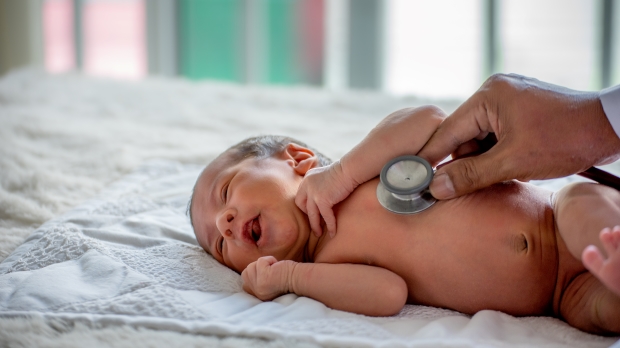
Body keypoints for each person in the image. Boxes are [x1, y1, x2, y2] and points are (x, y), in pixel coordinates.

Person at [189, 106, 620, 335]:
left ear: (299, 161)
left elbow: (429, 121)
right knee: (602, 312)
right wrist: (290, 278)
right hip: (562, 296)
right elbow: (388, 294)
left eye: (225, 193)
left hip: (557, 219)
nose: (224, 224)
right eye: (219, 245)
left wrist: (343, 171)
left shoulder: (357, 174)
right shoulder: (323, 268)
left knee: (583, 204)